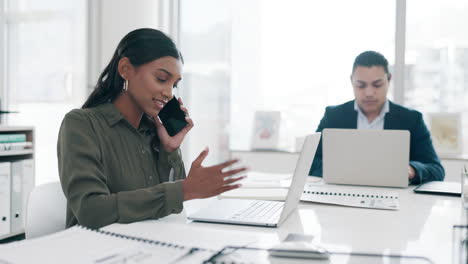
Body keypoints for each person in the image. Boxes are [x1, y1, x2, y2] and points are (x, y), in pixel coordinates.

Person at [57, 28, 246, 229]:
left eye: (174, 85)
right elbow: (91, 211)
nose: (168, 93)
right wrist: (183, 190)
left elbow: (172, 209)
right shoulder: (81, 124)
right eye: (162, 79)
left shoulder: (155, 132)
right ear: (126, 69)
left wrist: (170, 151)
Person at [309, 50, 444, 184]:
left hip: (396, 198)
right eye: (361, 85)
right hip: (341, 194)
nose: (369, 93)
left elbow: (436, 170)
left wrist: (412, 170)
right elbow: (309, 162)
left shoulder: (411, 119)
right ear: (351, 81)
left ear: (389, 79)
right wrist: (342, 170)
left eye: (377, 85)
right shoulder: (333, 116)